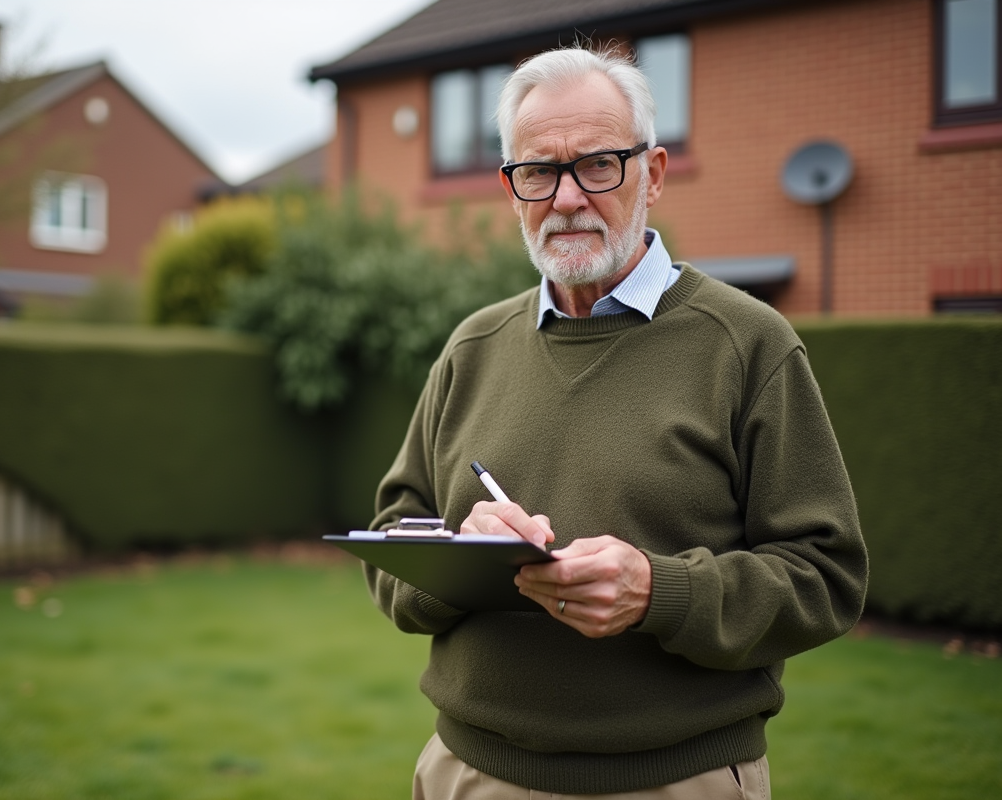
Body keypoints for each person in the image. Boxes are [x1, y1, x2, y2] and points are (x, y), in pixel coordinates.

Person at [367, 47, 869, 799]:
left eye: (598, 164)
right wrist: (461, 556)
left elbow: (826, 576)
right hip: (469, 775)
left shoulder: (747, 343)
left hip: (676, 779)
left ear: (654, 174)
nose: (566, 197)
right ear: (512, 189)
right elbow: (390, 543)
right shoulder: (471, 348)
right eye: (537, 171)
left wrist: (660, 593)